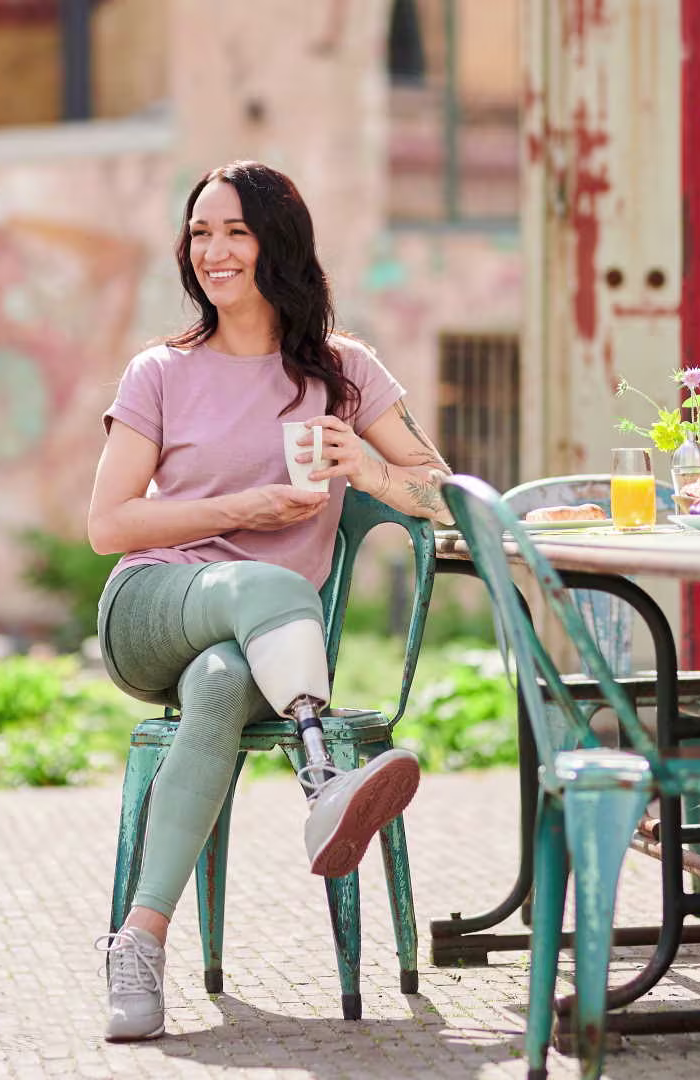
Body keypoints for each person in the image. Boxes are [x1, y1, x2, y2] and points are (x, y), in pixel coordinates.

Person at [85, 161, 454, 1041]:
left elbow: (443, 495)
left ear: (276, 244)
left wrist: (365, 467)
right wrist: (241, 512)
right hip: (149, 607)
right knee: (269, 583)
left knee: (218, 681)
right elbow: (107, 524)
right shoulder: (160, 372)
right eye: (200, 232)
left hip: (254, 652)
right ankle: (324, 779)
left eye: (234, 232)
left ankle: (136, 945)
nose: (212, 251)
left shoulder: (344, 372)